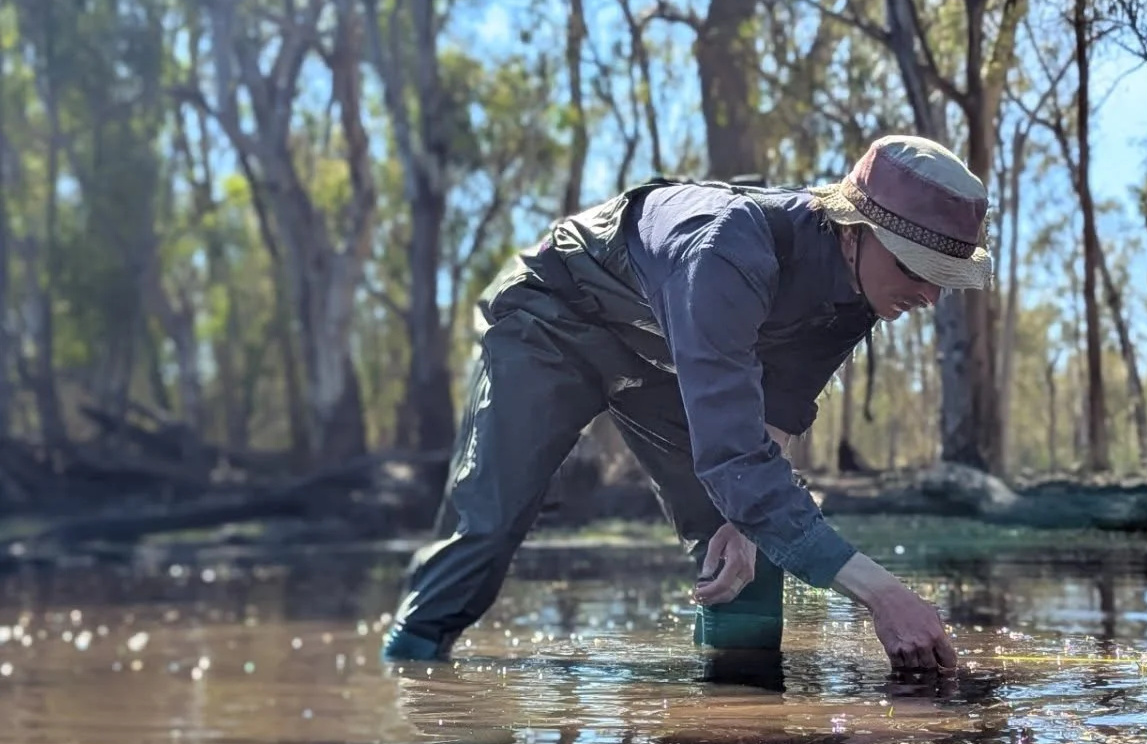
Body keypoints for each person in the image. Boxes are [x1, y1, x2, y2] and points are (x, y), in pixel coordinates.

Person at [381, 133, 993, 671]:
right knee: (489, 522)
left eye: (942, 279)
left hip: (664, 356)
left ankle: (741, 718)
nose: (928, 296)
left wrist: (744, 522)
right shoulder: (729, 246)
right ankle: (409, 667)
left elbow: (775, 416)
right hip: (554, 317)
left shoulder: (861, 296)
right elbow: (733, 458)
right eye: (915, 269)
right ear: (853, 231)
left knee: (748, 545)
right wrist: (882, 594)